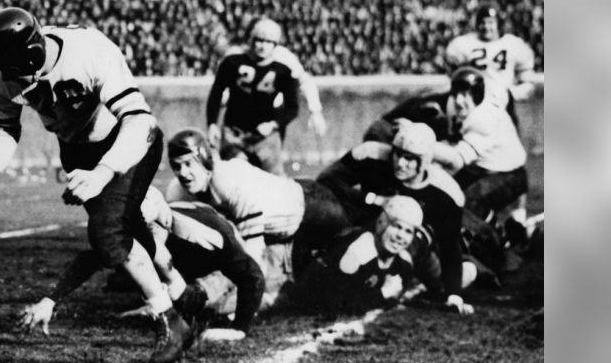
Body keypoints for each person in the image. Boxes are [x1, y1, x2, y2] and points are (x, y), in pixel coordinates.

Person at [0, 7, 193, 363]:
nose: (15, 81)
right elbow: (2, 126)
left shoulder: (88, 50)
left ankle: (169, 320)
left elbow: (138, 120)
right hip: (77, 151)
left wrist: (104, 172)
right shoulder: (0, 78)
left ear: (34, 52)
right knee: (125, 231)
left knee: (107, 233)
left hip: (128, 142)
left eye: (17, 70)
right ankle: (183, 292)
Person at [18, 190, 265, 343]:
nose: (142, 238)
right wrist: (51, 300)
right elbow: (90, 259)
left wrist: (239, 329)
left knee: (202, 299)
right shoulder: (146, 232)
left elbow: (253, 275)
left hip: (228, 257)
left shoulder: (206, 235)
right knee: (130, 275)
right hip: (181, 259)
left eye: (146, 229)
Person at [315, 121, 476, 315]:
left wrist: (454, 295)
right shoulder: (371, 155)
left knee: (442, 283)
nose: (400, 163)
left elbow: (450, 246)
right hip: (372, 230)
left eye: (409, 159)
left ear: (424, 161)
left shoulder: (446, 192)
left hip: (417, 247)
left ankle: (477, 268)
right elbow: (327, 180)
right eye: (398, 154)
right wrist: (371, 199)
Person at [163, 128, 306, 309]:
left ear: (205, 160)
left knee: (268, 292)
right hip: (265, 231)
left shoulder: (226, 180)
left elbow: (253, 258)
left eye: (189, 164)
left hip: (302, 214)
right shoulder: (177, 192)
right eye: (177, 165)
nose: (183, 173)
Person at [205, 17, 327, 176]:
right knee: (235, 175)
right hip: (235, 127)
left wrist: (315, 111)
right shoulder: (234, 57)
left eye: (267, 40)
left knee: (271, 175)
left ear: (275, 43)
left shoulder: (284, 60)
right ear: (250, 38)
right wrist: (212, 121)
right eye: (257, 39)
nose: (261, 45)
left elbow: (302, 86)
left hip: (269, 124)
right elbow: (218, 91)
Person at [438, 67, 532, 243]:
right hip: (483, 167)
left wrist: (427, 148)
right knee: (444, 194)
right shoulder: (466, 105)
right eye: (456, 93)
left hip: (508, 175)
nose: (458, 100)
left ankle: (495, 242)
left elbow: (458, 160)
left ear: (477, 94)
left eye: (465, 94)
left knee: (467, 204)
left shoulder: (484, 119)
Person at [294, 196, 425, 312]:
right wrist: (382, 294)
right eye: (396, 226)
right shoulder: (360, 250)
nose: (400, 236)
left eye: (408, 231)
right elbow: (337, 302)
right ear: (381, 222)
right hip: (308, 297)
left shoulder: (404, 263)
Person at [445, 4, 538, 128]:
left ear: (498, 24)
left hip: (502, 103)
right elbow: (453, 74)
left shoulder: (513, 44)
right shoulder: (464, 43)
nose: (486, 27)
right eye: (482, 22)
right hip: (474, 103)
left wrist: (511, 93)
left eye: (490, 22)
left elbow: (527, 82)